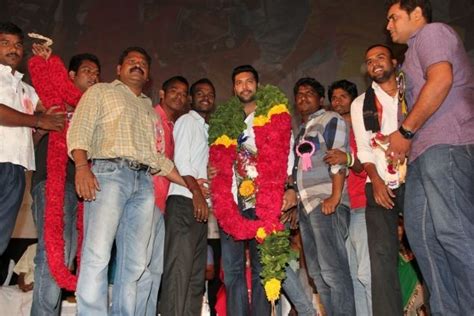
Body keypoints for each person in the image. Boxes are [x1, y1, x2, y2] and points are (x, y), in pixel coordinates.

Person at [67, 46, 184, 315]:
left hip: (143, 184)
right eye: (131, 61)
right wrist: (82, 167)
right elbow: (79, 130)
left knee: (135, 263)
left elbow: (156, 158)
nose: (138, 65)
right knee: (97, 255)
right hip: (108, 175)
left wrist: (188, 183)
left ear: (149, 75)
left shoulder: (149, 109)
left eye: (143, 62)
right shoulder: (101, 91)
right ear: (119, 69)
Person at [385, 1, 474, 314]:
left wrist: (405, 132)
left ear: (417, 13)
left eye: (394, 17)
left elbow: (441, 80)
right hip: (422, 156)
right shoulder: (410, 54)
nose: (388, 26)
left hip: (446, 144)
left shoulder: (432, 33)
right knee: (424, 239)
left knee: (454, 232)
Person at [216, 65, 297, 316]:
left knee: (265, 268)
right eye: (239, 82)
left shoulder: (274, 115)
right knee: (232, 271)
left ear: (257, 85)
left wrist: (290, 188)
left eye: (249, 81)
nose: (244, 86)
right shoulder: (225, 120)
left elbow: (288, 156)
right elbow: (218, 159)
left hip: (264, 202)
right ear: (233, 88)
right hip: (231, 201)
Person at [29, 49, 100, 316]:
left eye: (96, 73)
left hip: (82, 188)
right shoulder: (48, 100)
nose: (93, 76)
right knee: (51, 256)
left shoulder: (93, 108)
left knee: (65, 256)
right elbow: (29, 137)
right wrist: (44, 122)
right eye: (87, 71)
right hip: (51, 182)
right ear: (70, 75)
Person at [0, 21, 65, 258]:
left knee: (1, 239)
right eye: (5, 43)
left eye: (18, 45)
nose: (13, 49)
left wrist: (48, 65)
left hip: (17, 170)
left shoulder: (26, 89)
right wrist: (38, 121)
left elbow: (55, 105)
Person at [351, 44, 406, 316]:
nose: (374, 63)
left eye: (380, 57)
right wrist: (376, 181)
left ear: (394, 62)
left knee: (425, 248)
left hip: (415, 179)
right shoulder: (360, 103)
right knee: (381, 260)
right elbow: (363, 149)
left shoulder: (411, 93)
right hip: (379, 184)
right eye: (369, 60)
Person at [292, 77, 355, 315]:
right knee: (317, 274)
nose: (303, 97)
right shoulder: (302, 130)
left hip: (326, 202)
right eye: (299, 94)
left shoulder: (331, 119)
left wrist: (335, 196)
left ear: (320, 99)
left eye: (309, 93)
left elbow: (338, 158)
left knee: (333, 270)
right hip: (306, 206)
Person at [160, 78, 214, 315]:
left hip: (199, 206)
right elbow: (181, 162)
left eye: (210, 94)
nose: (205, 97)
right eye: (200, 93)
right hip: (184, 201)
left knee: (194, 277)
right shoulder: (187, 121)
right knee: (179, 272)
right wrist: (197, 194)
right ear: (191, 99)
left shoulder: (206, 128)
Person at [137, 75, 189, 316]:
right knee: (138, 269)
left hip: (161, 206)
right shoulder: (151, 117)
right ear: (161, 93)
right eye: (174, 91)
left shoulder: (173, 126)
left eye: (183, 93)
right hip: (144, 199)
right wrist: (192, 186)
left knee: (154, 270)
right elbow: (157, 162)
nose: (179, 96)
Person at [326, 79, 372, 315]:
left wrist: (348, 158)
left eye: (343, 96)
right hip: (342, 209)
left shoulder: (363, 125)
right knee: (352, 275)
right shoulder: (331, 131)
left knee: (366, 273)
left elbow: (364, 166)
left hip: (363, 206)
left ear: (354, 100)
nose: (337, 101)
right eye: (333, 98)